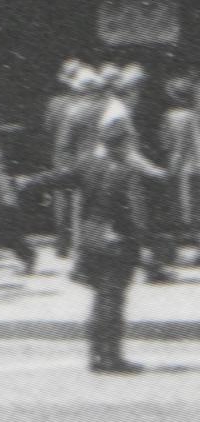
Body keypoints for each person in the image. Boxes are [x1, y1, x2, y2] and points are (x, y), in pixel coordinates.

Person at [73, 109, 160, 376]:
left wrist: (26, 183)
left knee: (99, 300)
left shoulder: (88, 164)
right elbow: (137, 214)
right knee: (113, 300)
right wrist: (146, 244)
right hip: (118, 244)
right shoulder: (128, 173)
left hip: (91, 240)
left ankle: (95, 355)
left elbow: (55, 178)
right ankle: (112, 357)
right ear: (124, 145)